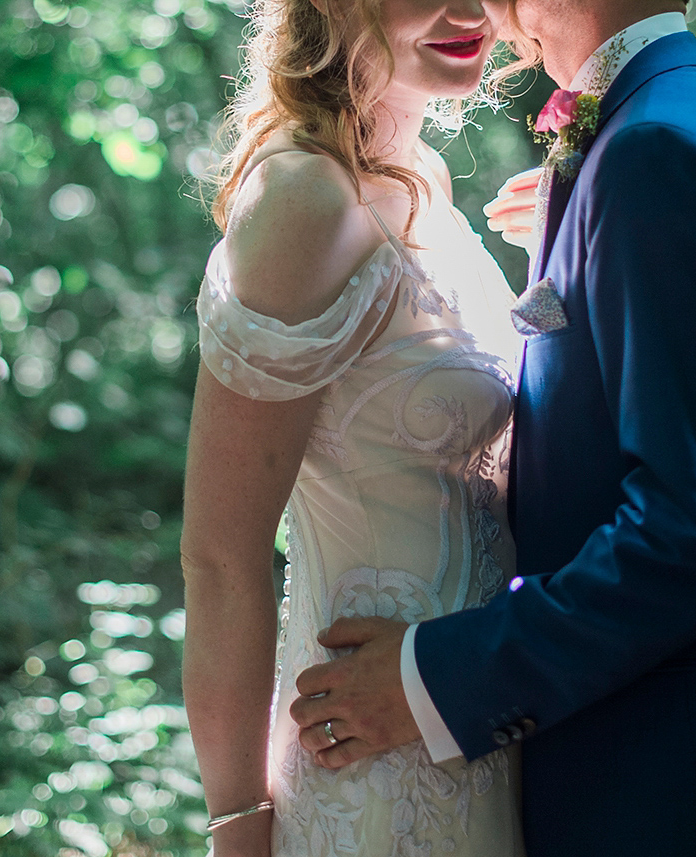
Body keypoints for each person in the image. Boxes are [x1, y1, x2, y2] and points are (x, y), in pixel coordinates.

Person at [289, 1, 696, 856]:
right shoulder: (668, 123)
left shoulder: (655, 155)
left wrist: (431, 681)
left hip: (691, 790)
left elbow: (694, 532)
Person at [178, 0, 532, 851]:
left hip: (484, 733)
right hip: (368, 778)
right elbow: (221, 558)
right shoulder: (302, 199)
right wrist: (237, 825)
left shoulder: (429, 179)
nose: (470, 8)